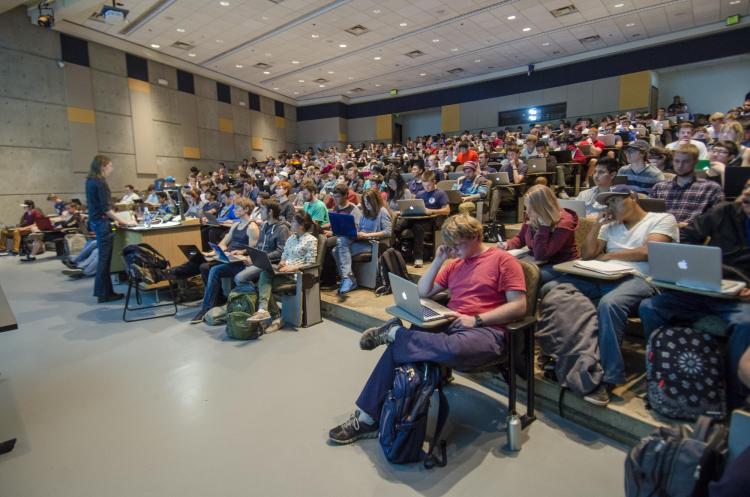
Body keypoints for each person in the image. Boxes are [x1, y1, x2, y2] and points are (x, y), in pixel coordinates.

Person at [328, 214, 527, 444]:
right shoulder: (455, 265)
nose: (454, 250)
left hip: (486, 330)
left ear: (476, 236)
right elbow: (423, 292)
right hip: (452, 322)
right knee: (399, 348)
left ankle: (396, 333)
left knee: (434, 347)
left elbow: (519, 306)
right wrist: (439, 260)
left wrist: (477, 320)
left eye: (458, 244)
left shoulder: (503, 261)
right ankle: (366, 418)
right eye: (449, 245)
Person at [544, 184, 679, 406]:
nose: (611, 206)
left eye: (615, 200)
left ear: (633, 197)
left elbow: (650, 252)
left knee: (609, 304)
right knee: (553, 290)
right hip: (602, 275)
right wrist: (597, 225)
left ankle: (609, 377)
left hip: (641, 279)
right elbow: (588, 254)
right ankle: (565, 360)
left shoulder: (662, 219)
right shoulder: (609, 225)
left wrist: (609, 256)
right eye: (608, 203)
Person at [639, 178, 750, 409]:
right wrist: (694, 264)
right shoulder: (725, 211)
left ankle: (730, 394)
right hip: (704, 283)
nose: (747, 192)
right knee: (651, 307)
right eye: (747, 186)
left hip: (740, 294)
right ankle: (660, 372)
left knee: (745, 324)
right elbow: (689, 236)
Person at [190, 197, 261, 323]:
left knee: (215, 270)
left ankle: (206, 308)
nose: (235, 210)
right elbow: (224, 243)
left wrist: (240, 252)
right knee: (203, 265)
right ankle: (215, 299)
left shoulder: (252, 227)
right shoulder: (235, 225)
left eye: (238, 208)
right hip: (229, 257)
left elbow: (252, 250)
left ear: (246, 210)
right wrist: (215, 251)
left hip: (241, 262)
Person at [246, 212, 319, 333]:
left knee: (263, 284)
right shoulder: (291, 238)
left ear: (301, 225)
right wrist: (282, 262)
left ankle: (270, 314)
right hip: (284, 273)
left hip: (297, 275)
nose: (291, 224)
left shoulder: (311, 240)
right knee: (264, 275)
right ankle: (269, 314)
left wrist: (293, 267)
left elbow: (311, 263)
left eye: (294, 222)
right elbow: (284, 255)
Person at [502, 185, 579, 283]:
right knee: (504, 269)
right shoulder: (533, 215)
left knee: (522, 276)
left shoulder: (564, 223)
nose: (527, 212)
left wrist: (544, 227)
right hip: (536, 260)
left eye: (531, 208)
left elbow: (541, 254)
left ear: (543, 208)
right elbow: (521, 238)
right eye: (526, 208)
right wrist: (507, 245)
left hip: (559, 264)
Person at [84, 155, 135, 303]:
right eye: (110, 165)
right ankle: (104, 293)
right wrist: (123, 222)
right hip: (102, 223)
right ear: (103, 165)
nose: (112, 168)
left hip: (96, 221)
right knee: (105, 260)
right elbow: (106, 209)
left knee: (103, 260)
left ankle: (105, 292)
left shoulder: (90, 181)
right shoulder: (100, 182)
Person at [650, 144, 724, 226]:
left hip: (692, 234)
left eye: (686, 161)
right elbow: (649, 217)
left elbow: (717, 220)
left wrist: (690, 225)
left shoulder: (711, 188)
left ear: (696, 162)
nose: (680, 165)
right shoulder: (659, 187)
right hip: (661, 232)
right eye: (677, 161)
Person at [334, 190, 392, 294]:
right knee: (340, 241)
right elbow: (360, 229)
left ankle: (348, 280)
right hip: (361, 240)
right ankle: (348, 279)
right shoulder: (365, 213)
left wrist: (367, 235)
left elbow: (388, 232)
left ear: (375, 201)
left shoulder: (382, 211)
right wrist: (355, 233)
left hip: (373, 244)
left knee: (337, 250)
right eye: (364, 202)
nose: (366, 205)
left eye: (368, 202)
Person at [233, 198, 290, 287]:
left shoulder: (282, 228)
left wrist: (258, 259)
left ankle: (257, 295)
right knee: (233, 270)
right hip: (259, 261)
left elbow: (280, 252)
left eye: (262, 209)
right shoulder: (264, 225)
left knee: (239, 278)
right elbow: (258, 246)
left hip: (270, 264)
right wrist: (245, 252)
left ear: (270, 212)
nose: (260, 212)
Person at [400, 170, 450, 268]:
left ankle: (418, 257)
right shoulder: (420, 193)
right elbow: (413, 206)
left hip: (432, 220)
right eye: (424, 185)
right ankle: (397, 252)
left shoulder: (440, 193)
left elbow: (447, 210)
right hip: (418, 217)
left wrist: (432, 211)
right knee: (399, 225)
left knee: (417, 227)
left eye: (429, 186)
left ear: (434, 182)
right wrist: (405, 210)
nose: (426, 188)